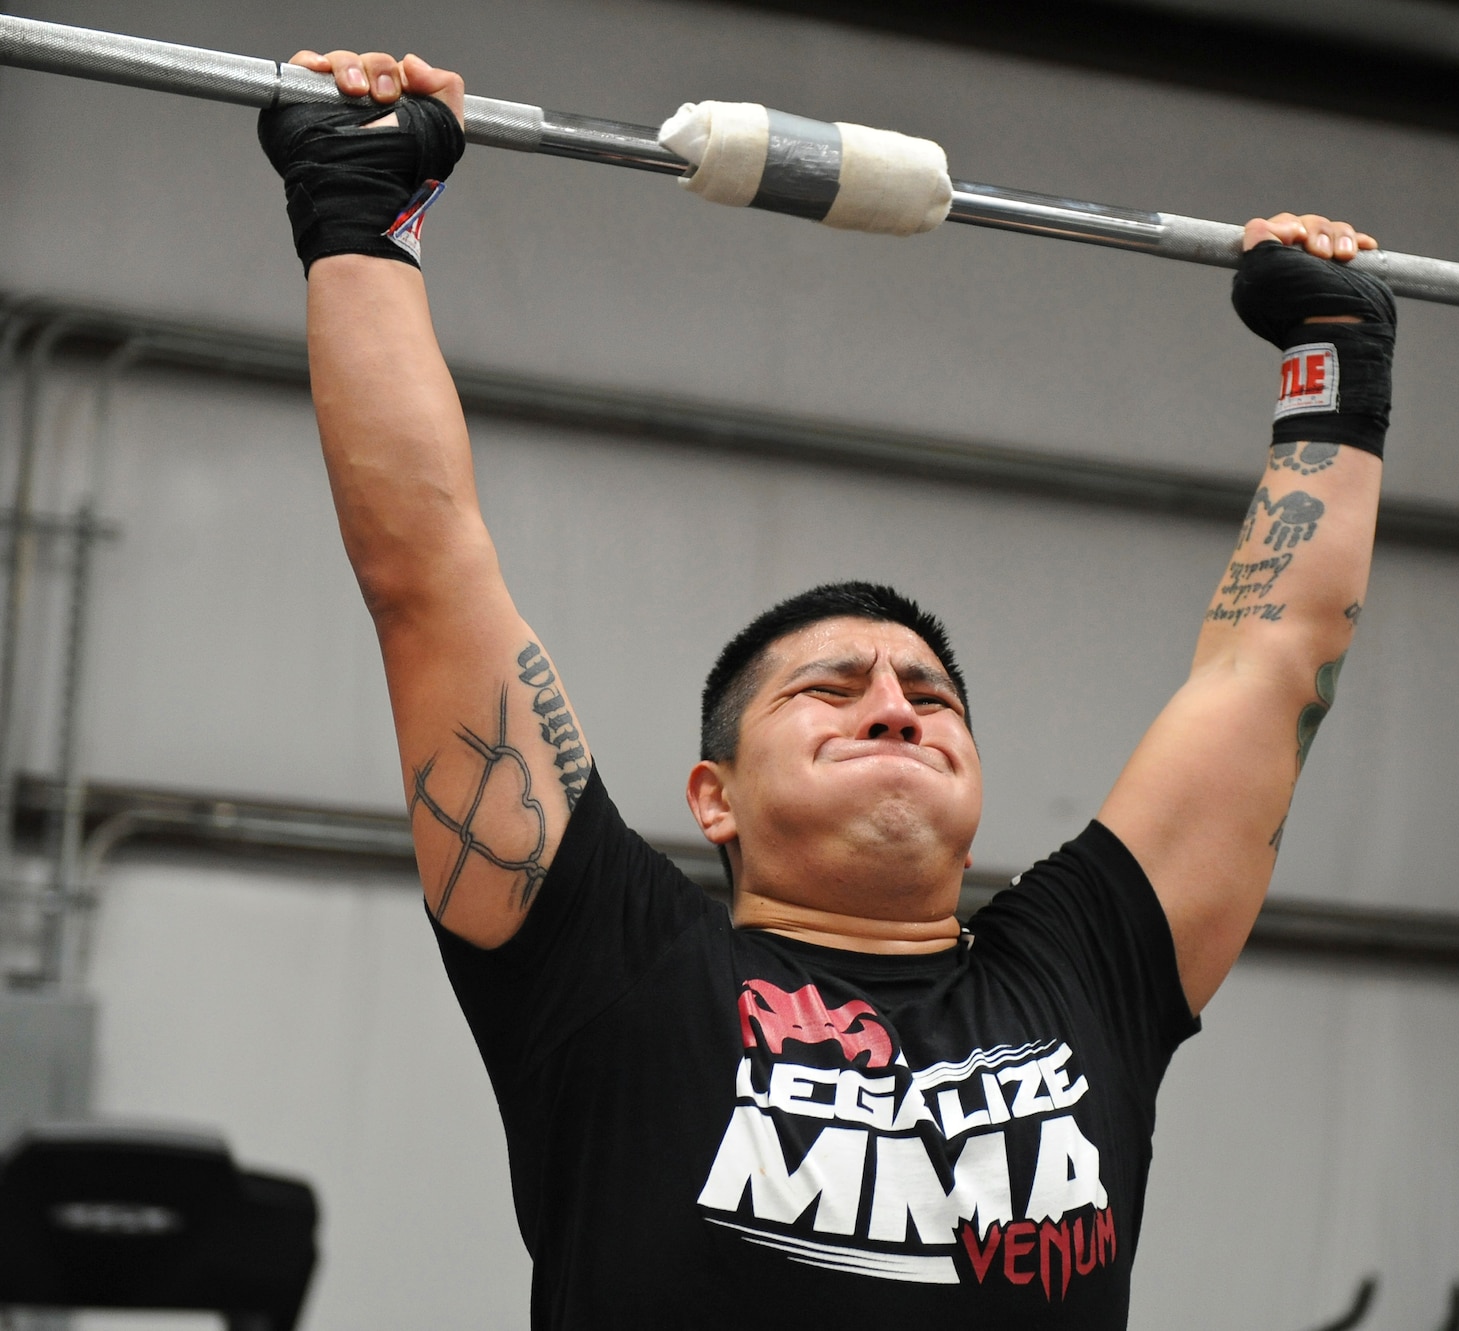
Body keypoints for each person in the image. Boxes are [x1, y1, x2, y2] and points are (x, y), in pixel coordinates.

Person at [261, 46, 1392, 1330]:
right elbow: (427, 571)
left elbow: (1273, 661)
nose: (896, 702)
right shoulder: (608, 966)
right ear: (715, 794)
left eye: (929, 693)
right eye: (831, 688)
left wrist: (1335, 361)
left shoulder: (1091, 975)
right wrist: (360, 217)